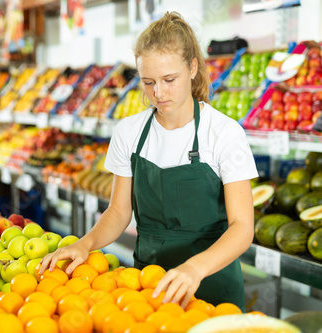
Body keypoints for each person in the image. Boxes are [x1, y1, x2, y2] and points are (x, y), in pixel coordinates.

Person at [39, 11, 257, 311]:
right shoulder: (129, 132)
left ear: (193, 68)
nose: (158, 93)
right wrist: (84, 243)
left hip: (212, 281)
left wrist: (195, 268)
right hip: (146, 283)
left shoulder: (223, 132)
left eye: (169, 80)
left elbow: (243, 226)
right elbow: (118, 211)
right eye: (148, 82)